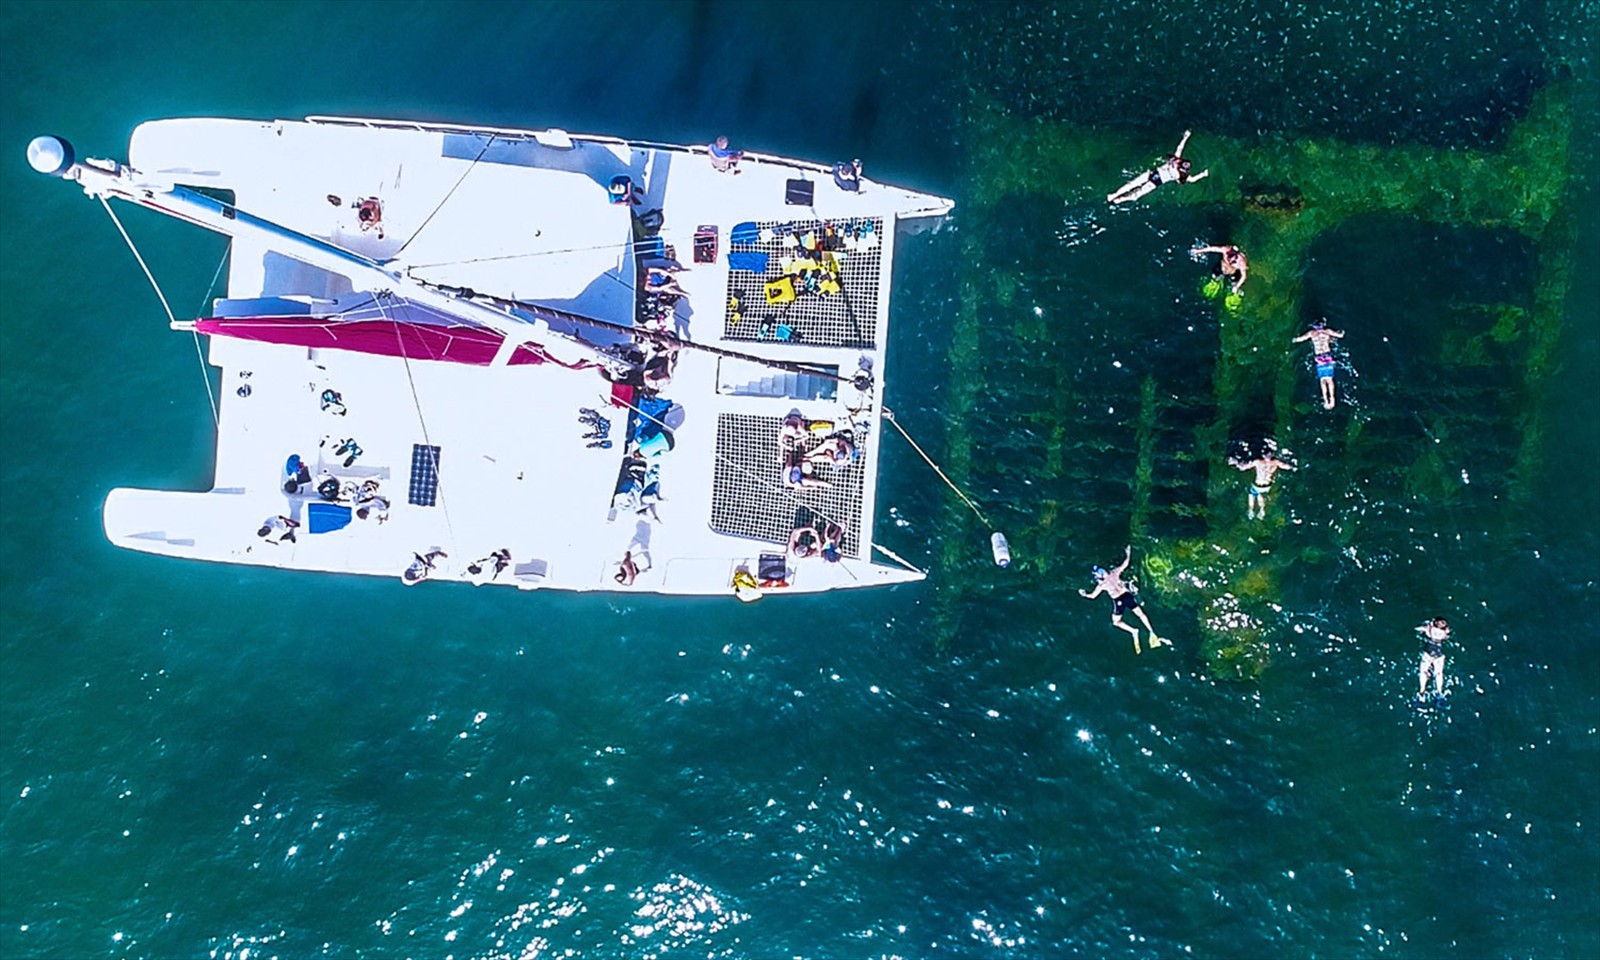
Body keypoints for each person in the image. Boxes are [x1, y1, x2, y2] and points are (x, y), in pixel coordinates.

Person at [1077, 546, 1168, 654]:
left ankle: (1134, 631)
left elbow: (1093, 596)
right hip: (1127, 595)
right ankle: (1151, 631)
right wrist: (1128, 553)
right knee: (1141, 614)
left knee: (1116, 622)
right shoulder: (1114, 573)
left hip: (1118, 601)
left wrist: (1084, 594)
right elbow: (1126, 564)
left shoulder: (1102, 585)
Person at [1108, 130, 1210, 204]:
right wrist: (1203, 174)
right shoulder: (1182, 175)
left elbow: (1180, 147)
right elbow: (1192, 179)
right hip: (1157, 181)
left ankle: (1115, 195)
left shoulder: (1176, 160)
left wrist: (1185, 137)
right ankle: (1120, 199)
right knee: (1136, 194)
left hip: (1153, 174)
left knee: (1132, 185)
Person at [1292, 321, 1347, 410]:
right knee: (1329, 379)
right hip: (1328, 357)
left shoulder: (1312, 333)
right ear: (1323, 325)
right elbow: (1340, 335)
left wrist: (1293, 339)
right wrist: (1341, 332)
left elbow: (1299, 339)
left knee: (1323, 380)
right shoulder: (1327, 331)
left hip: (1319, 359)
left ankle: (1326, 400)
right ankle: (1332, 399)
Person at [1234, 447, 1296, 519]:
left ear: (1263, 455)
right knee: (1260, 495)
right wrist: (1292, 465)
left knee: (1252, 494)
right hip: (1267, 486)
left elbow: (1244, 467)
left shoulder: (1258, 462)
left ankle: (1251, 510)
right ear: (1272, 455)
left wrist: (1236, 463)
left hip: (1257, 485)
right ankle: (1262, 509)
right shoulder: (1275, 462)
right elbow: (1286, 466)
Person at [1417, 617, 1450, 703]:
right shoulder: (1444, 634)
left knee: (1423, 672)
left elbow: (1418, 629)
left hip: (1428, 654)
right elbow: (1448, 634)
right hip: (1439, 655)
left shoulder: (1429, 630)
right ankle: (1439, 692)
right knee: (1438, 674)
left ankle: (1422, 691)